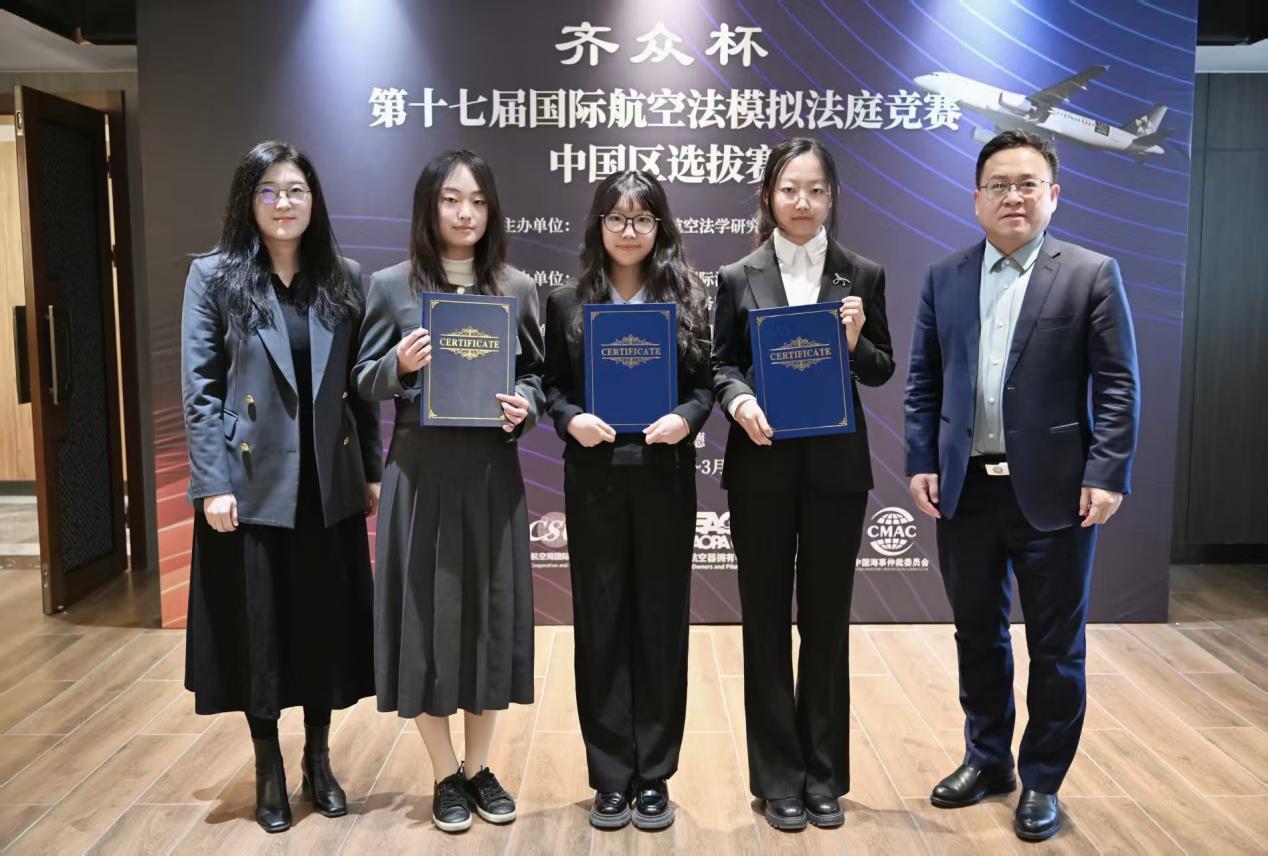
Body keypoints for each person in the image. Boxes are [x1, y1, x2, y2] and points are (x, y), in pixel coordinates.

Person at [904, 130, 1140, 842]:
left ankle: (1042, 779)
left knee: (1056, 645)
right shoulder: (945, 277)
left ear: (1053, 195)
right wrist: (921, 460)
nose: (1014, 196)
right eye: (999, 185)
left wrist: (1107, 473)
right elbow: (924, 382)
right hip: (966, 490)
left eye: (1028, 183)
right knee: (976, 632)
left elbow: (1119, 385)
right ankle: (987, 759)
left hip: (1056, 493)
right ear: (976, 199)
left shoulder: (1091, 274)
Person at [181, 141, 380, 833]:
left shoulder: (342, 278)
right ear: (249, 199)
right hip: (250, 484)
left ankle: (317, 759)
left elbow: (359, 387)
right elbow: (200, 391)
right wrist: (212, 484)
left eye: (295, 190)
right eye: (268, 190)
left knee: (321, 625)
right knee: (260, 634)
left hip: (327, 482)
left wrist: (371, 470)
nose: (283, 203)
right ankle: (267, 764)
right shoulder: (214, 276)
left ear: (313, 200)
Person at [354, 150, 544, 834]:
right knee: (425, 623)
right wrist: (398, 365)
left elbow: (537, 376)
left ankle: (480, 767)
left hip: (492, 475)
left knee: (489, 618)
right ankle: (443, 774)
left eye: (478, 202)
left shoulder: (516, 287)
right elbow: (362, 379)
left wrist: (525, 404)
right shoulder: (390, 286)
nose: (466, 213)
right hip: (420, 474)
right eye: (451, 200)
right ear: (429, 207)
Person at [711, 137, 894, 831]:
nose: (803, 202)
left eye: (816, 190)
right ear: (768, 195)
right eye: (790, 189)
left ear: (832, 197)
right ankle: (776, 776)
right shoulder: (737, 275)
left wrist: (854, 341)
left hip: (835, 474)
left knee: (826, 622)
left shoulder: (862, 274)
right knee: (764, 621)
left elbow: (881, 367)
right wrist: (739, 402)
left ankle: (824, 775)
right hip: (760, 469)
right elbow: (720, 364)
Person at [542, 170, 713, 831]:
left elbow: (706, 386)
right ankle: (611, 775)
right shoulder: (567, 302)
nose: (629, 230)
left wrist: (686, 419)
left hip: (665, 475)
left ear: (660, 227)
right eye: (617, 218)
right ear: (599, 225)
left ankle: (655, 774)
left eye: (642, 219)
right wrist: (571, 419)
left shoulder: (689, 298)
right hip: (596, 479)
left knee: (662, 625)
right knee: (601, 623)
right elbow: (552, 387)